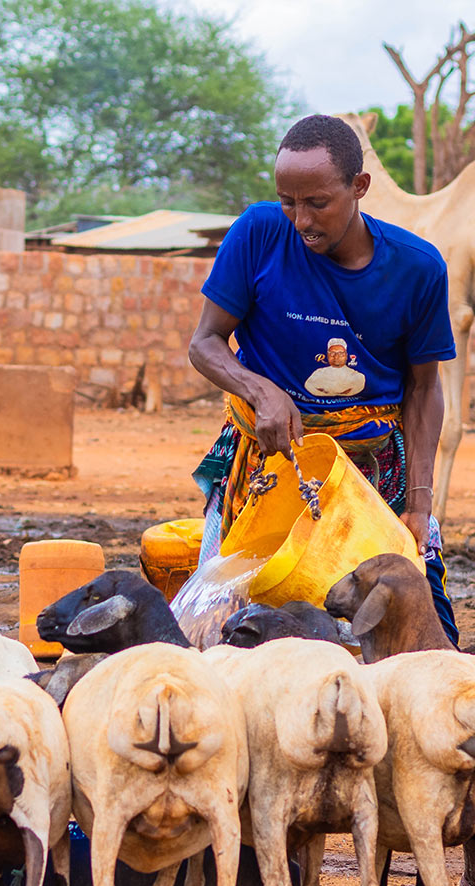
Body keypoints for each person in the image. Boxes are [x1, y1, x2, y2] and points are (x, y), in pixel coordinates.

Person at [187, 113, 459, 643]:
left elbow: (425, 389)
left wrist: (420, 505)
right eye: (288, 201)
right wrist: (258, 388)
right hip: (266, 465)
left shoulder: (417, 268)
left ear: (359, 187)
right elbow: (205, 342)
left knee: (421, 642)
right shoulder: (259, 234)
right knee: (227, 638)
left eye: (317, 203)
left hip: (373, 472)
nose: (299, 220)